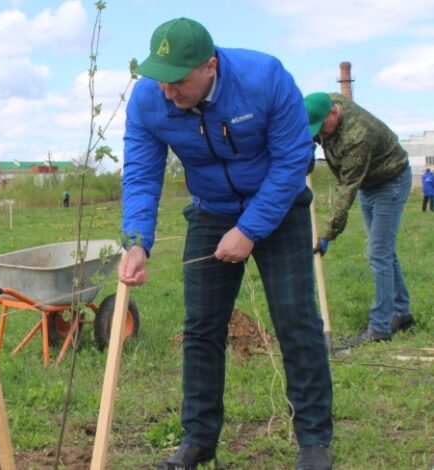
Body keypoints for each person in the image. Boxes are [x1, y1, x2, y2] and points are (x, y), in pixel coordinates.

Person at [120, 18, 333, 470]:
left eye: (178, 81)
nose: (167, 92)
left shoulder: (265, 78)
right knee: (200, 327)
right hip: (211, 209)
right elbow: (141, 172)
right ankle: (198, 439)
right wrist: (137, 241)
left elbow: (294, 158)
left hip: (280, 205)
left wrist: (251, 229)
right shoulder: (148, 99)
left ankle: (314, 440)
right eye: (160, 79)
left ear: (210, 66)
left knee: (296, 321)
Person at [305, 92, 415, 345]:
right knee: (384, 252)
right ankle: (401, 312)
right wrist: (306, 148)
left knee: (378, 253)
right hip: (369, 182)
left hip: (390, 182)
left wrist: (327, 234)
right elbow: (309, 128)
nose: (319, 133)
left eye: (321, 127)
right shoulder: (324, 104)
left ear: (334, 112)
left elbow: (346, 189)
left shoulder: (358, 137)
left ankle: (380, 327)